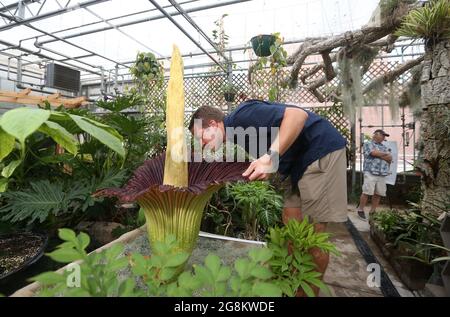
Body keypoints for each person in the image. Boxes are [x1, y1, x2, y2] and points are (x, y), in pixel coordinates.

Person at [189, 99, 348, 289]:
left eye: (201, 138)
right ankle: (291, 282)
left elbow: (298, 116)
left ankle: (307, 293)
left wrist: (269, 158)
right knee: (291, 223)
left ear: (213, 124)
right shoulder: (234, 136)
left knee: (313, 236)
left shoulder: (242, 116)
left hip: (319, 151)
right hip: (297, 166)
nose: (202, 145)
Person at [357, 129, 392, 221]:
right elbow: (373, 153)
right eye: (383, 135)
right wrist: (385, 154)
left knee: (378, 193)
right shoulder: (368, 143)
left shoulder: (383, 146)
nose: (384, 137)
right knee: (367, 191)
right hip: (371, 171)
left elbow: (389, 159)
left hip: (382, 173)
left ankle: (372, 212)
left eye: (385, 136)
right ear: (376, 135)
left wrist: (381, 154)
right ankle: (360, 209)